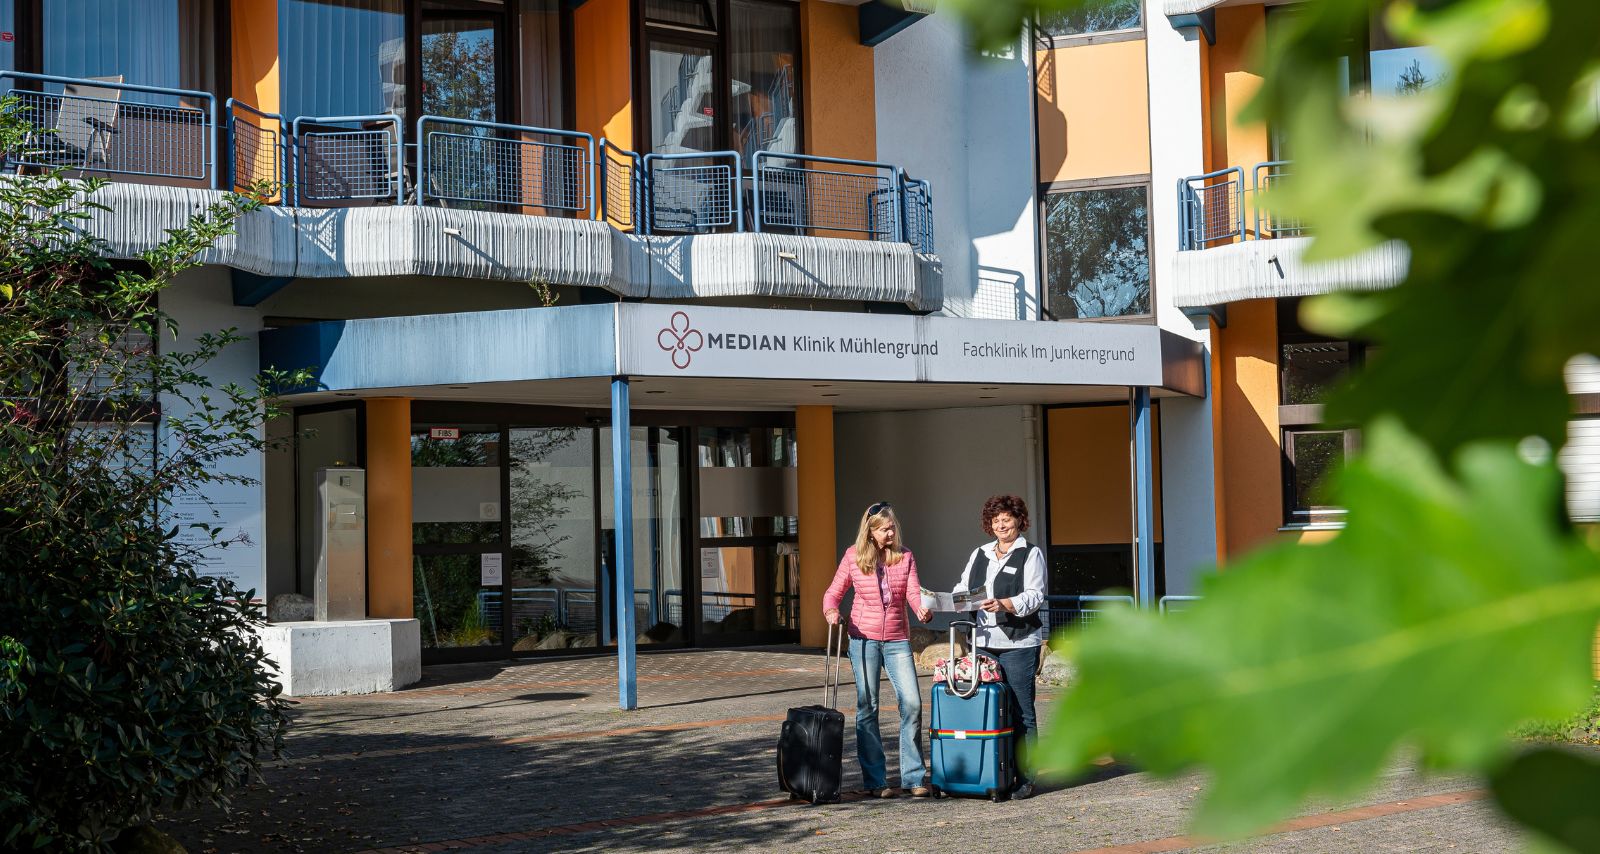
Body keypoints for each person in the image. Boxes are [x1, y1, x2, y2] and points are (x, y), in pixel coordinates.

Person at [822, 501, 935, 798]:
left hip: (897, 639)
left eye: (892, 527)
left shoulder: (905, 556)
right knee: (867, 708)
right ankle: (876, 781)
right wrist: (831, 612)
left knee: (912, 704)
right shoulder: (853, 557)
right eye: (884, 528)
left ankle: (913, 778)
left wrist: (921, 609)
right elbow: (833, 594)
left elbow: (913, 592)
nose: (890, 532)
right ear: (870, 532)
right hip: (863, 638)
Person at [951, 494, 1048, 800]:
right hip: (983, 642)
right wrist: (951, 600)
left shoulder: (1030, 554)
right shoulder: (980, 553)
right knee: (991, 711)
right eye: (996, 520)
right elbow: (963, 588)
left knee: (1021, 713)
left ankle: (1026, 777)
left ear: (1020, 520)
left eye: (1007, 519)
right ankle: (997, 773)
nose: (1002, 525)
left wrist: (1006, 604)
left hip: (1018, 643)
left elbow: (1035, 595)